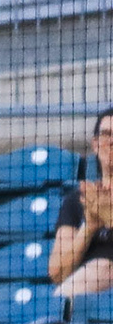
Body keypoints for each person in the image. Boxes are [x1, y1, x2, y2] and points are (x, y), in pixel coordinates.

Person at [49, 107, 113, 299]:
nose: (111, 141)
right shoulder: (77, 201)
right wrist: (90, 225)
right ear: (95, 144)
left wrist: (109, 216)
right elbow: (57, 273)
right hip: (83, 294)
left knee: (102, 267)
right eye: (105, 135)